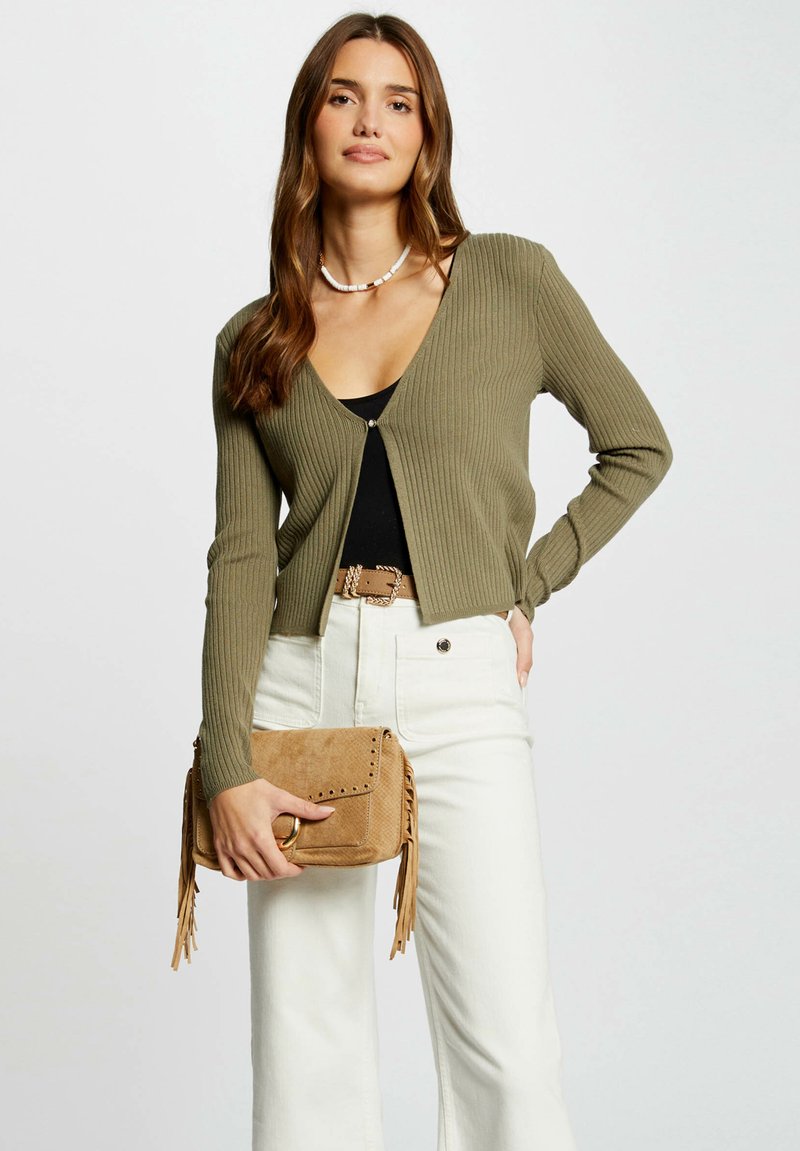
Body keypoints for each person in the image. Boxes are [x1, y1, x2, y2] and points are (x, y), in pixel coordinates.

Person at [196, 12, 672, 1151]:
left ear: (427, 132)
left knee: (506, 1049)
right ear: (308, 125)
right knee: (306, 1049)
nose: (370, 120)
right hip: (300, 683)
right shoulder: (255, 337)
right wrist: (225, 760)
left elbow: (636, 445)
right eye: (344, 95)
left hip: (458, 676)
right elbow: (241, 556)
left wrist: (525, 584)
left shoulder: (507, 277)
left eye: (398, 101)